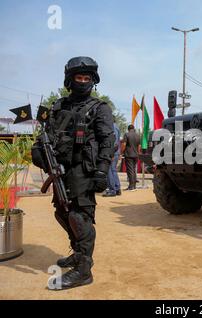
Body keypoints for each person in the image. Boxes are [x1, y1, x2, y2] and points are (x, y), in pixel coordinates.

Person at [32, 56, 115, 290]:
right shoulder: (58, 105)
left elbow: (107, 141)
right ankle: (78, 253)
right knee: (62, 212)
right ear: (70, 80)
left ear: (93, 80)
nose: (82, 81)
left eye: (86, 78)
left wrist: (102, 171)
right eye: (78, 77)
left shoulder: (100, 108)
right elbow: (46, 134)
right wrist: (38, 150)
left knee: (79, 217)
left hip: (83, 169)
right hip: (59, 168)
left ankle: (83, 270)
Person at [103, 116, 121, 197]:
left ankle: (112, 190)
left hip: (113, 152)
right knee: (113, 170)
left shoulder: (112, 127)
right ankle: (117, 188)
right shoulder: (116, 127)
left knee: (110, 170)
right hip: (115, 152)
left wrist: (112, 153)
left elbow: (114, 142)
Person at [122, 124, 140, 190]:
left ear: (128, 129)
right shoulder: (137, 135)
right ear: (134, 128)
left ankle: (131, 186)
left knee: (130, 170)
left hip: (129, 154)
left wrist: (121, 152)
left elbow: (124, 144)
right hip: (136, 155)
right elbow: (139, 146)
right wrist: (138, 153)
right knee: (134, 170)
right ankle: (134, 185)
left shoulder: (126, 134)